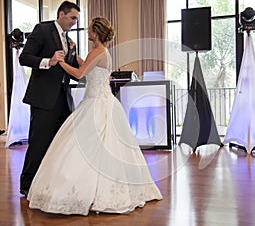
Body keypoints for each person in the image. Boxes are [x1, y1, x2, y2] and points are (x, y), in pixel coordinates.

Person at [26, 16, 162, 215]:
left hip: (96, 104)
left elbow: (80, 74)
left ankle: (87, 190)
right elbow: (87, 66)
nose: (87, 32)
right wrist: (74, 53)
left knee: (85, 145)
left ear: (95, 33)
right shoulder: (99, 52)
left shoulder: (98, 51)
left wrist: (60, 62)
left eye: (90, 30)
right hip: (99, 101)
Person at [18, 1, 80, 197]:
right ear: (61, 14)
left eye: (77, 19)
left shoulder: (68, 39)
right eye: (72, 18)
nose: (74, 22)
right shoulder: (43, 29)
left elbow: (67, 68)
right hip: (43, 98)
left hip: (63, 98)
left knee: (62, 143)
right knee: (39, 142)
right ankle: (26, 184)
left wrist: (73, 52)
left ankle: (52, 181)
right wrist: (48, 61)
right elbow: (24, 57)